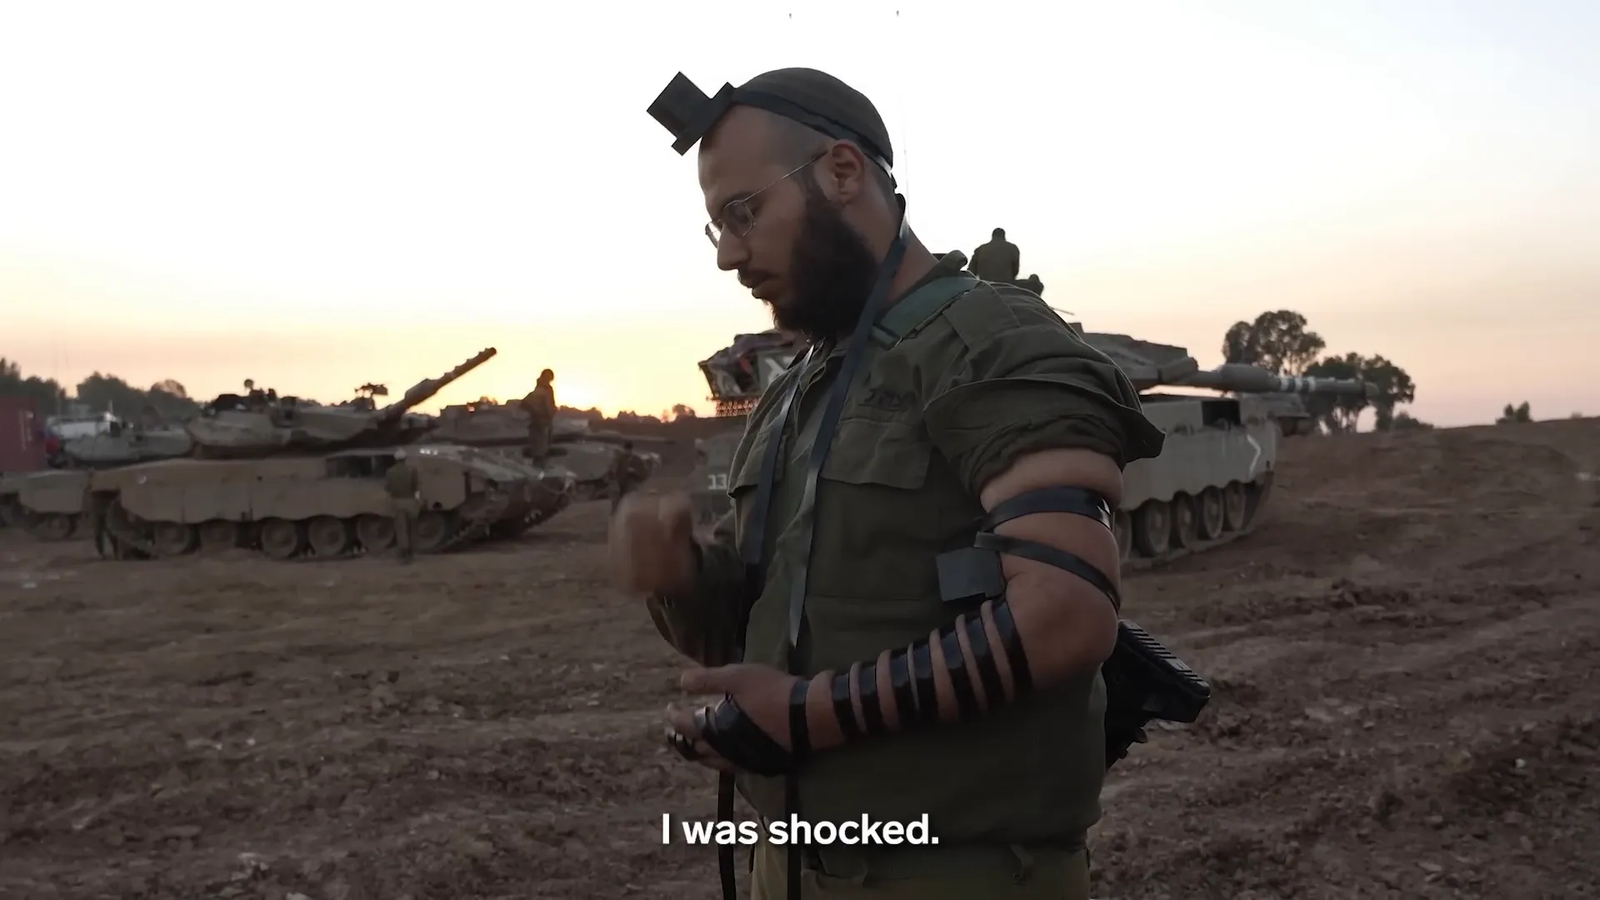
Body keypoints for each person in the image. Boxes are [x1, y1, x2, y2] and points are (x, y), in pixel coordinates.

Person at [621, 68, 1167, 900]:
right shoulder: (798, 386)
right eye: (715, 231)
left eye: (743, 214)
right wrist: (683, 580)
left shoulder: (991, 341)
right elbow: (770, 629)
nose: (730, 255)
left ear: (843, 173)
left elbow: (1066, 615)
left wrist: (808, 716)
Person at [384, 449, 420, 563]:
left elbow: (387, 488)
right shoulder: (412, 470)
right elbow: (416, 486)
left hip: (397, 502)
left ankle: (403, 553)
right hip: (410, 501)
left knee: (401, 529)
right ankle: (411, 553)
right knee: (411, 528)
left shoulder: (390, 471)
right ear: (405, 459)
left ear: (395, 459)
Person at [520, 369, 557, 463]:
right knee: (540, 450)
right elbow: (527, 403)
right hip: (540, 422)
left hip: (543, 422)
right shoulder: (542, 389)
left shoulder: (546, 388)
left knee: (542, 448)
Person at [608, 441, 650, 513]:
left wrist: (634, 471)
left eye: (628, 450)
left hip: (631, 483)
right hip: (620, 484)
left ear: (631, 449)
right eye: (626, 450)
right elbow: (614, 471)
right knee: (617, 502)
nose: (627, 451)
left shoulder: (636, 459)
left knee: (629, 501)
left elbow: (644, 473)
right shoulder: (620, 459)